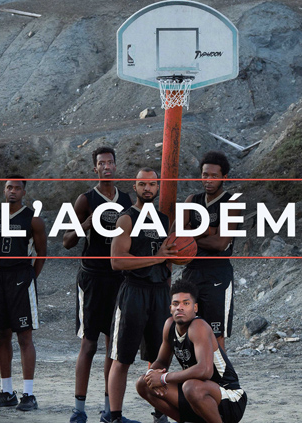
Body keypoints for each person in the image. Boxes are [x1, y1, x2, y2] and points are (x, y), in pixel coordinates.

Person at [63, 147, 134, 423]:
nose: (106, 166)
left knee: (112, 345)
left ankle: (108, 409)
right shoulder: (85, 199)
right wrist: (87, 223)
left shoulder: (126, 199)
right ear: (95, 168)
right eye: (101, 163)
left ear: (116, 166)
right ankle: (78, 410)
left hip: (118, 279)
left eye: (110, 162)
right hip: (92, 278)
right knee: (88, 345)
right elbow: (67, 241)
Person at [107, 168, 177, 423]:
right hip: (134, 292)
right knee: (122, 358)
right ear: (134, 187)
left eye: (152, 184)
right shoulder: (126, 219)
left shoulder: (162, 218)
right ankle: (114, 416)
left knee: (158, 360)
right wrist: (156, 258)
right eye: (142, 184)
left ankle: (160, 414)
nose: (148, 188)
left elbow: (166, 256)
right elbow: (116, 261)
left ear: (157, 187)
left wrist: (171, 259)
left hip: (159, 292)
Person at [136, 278, 247, 423]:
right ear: (170, 308)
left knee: (191, 387)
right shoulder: (169, 325)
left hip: (229, 397)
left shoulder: (198, 326)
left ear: (195, 308)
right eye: (176, 303)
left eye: (186, 303)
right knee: (143, 384)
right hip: (197, 395)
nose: (180, 307)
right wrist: (152, 375)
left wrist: (163, 378)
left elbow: (205, 371)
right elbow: (162, 361)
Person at [0, 176, 47, 411]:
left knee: (24, 336)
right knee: (2, 335)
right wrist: (0, 266)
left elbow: (41, 253)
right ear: (4, 190)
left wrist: (30, 278)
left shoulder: (33, 219)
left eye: (17, 188)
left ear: (24, 192)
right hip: (0, 277)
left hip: (22, 277)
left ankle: (28, 394)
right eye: (9, 187)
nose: (13, 191)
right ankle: (7, 392)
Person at [180, 151, 238, 352]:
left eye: (214, 176)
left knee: (215, 335)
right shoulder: (192, 200)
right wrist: (208, 231)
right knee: (188, 331)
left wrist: (191, 233)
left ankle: (221, 382)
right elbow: (174, 236)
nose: (209, 180)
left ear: (224, 177)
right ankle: (194, 380)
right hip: (191, 272)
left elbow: (220, 244)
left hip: (217, 273)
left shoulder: (231, 203)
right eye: (205, 175)